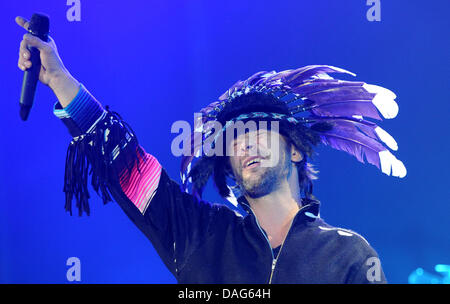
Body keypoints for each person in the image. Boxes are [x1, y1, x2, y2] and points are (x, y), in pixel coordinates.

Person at [16, 15, 406, 283]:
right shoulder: (201, 235)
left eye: (261, 130)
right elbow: (128, 164)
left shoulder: (347, 255)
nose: (246, 142)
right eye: (235, 137)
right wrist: (60, 79)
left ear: (296, 150)